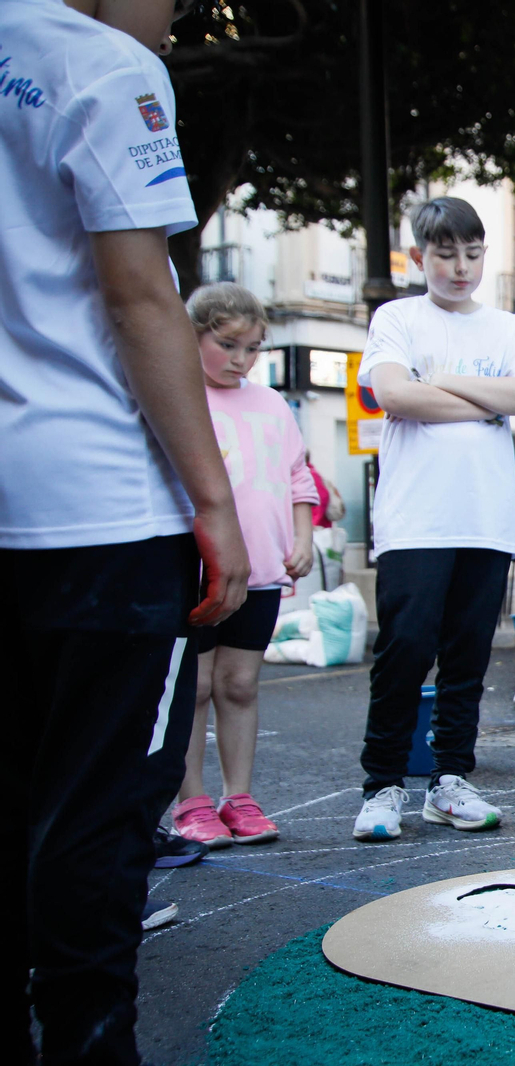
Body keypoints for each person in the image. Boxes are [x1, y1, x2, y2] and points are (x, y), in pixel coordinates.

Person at [2, 0, 251, 1060]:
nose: (175, 11)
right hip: (97, 503)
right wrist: (214, 500)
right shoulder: (106, 70)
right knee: (98, 821)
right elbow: (142, 294)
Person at [350, 197, 515, 842]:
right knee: (404, 653)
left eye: (472, 253)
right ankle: (381, 786)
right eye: (444, 254)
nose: (460, 267)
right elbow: (392, 393)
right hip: (415, 521)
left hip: (485, 521)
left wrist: (449, 382)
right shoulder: (397, 318)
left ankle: (449, 782)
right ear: (418, 257)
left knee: (467, 659)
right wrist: (485, 403)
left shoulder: (507, 327)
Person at [168, 284, 318, 849]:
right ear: (193, 335)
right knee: (197, 686)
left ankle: (240, 795)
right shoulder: (180, 397)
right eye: (228, 345)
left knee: (239, 685)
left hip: (260, 571)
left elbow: (300, 477)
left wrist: (302, 537)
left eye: (252, 348)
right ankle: (192, 801)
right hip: (198, 569)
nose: (241, 359)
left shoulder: (273, 404)